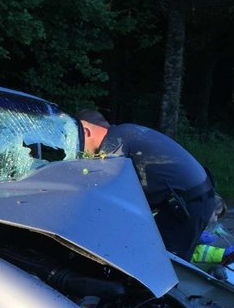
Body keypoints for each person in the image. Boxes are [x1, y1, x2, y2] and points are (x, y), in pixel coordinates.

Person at [77, 109, 216, 261]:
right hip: (192, 200)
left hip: (187, 206)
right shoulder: (125, 132)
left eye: (77, 139)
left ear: (85, 131)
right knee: (149, 253)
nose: (79, 148)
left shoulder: (114, 142)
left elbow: (106, 189)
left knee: (162, 265)